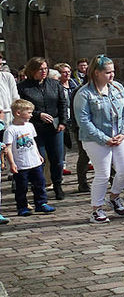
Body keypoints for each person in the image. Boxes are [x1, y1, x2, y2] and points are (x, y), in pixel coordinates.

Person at [73, 55, 124, 224]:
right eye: (108, 72)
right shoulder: (84, 93)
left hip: (118, 135)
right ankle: (96, 209)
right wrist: (104, 138)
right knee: (103, 173)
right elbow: (83, 121)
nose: (112, 75)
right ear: (97, 73)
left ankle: (114, 196)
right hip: (95, 138)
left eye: (113, 72)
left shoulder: (118, 88)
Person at [17, 56, 68, 201]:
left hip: (55, 127)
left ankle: (57, 185)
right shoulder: (23, 87)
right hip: (34, 129)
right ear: (32, 70)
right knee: (39, 159)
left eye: (45, 68)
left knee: (57, 159)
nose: (44, 72)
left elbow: (62, 103)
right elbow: (20, 108)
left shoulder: (54, 84)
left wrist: (63, 122)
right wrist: (38, 115)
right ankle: (39, 189)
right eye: (40, 69)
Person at [3, 98, 54, 216]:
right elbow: (8, 148)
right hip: (21, 164)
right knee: (22, 187)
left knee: (39, 183)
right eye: (29, 112)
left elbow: (33, 141)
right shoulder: (10, 130)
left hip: (34, 162)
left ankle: (41, 203)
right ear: (18, 113)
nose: (31, 115)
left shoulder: (30, 126)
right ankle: (22, 206)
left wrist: (38, 154)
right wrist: (12, 163)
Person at [0, 61, 20, 224]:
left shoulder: (6, 77)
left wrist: (16, 118)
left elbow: (15, 98)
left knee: (12, 151)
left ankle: (15, 178)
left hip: (7, 121)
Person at [55, 62, 81, 181]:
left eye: (69, 71)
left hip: (75, 116)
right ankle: (63, 164)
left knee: (79, 142)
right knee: (63, 143)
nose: (67, 74)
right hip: (64, 117)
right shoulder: (57, 86)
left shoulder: (74, 83)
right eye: (64, 72)